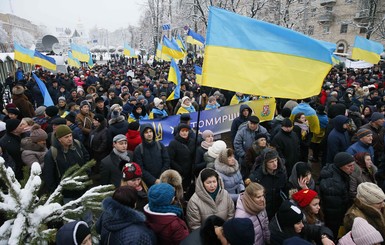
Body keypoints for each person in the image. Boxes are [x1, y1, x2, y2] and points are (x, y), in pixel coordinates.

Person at [43, 125, 90, 196]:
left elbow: (86, 157)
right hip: (66, 192)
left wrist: (87, 172)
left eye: (70, 136)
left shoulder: (77, 144)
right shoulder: (52, 153)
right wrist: (56, 191)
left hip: (82, 186)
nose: (70, 139)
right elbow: (49, 175)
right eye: (66, 137)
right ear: (59, 139)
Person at [319, 152, 355, 238]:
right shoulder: (334, 184)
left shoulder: (339, 173)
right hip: (333, 219)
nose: (352, 168)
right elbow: (334, 210)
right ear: (340, 166)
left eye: (353, 165)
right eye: (349, 166)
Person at [269, 200, 334, 245]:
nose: (302, 225)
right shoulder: (278, 238)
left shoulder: (296, 226)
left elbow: (319, 229)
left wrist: (324, 237)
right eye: (298, 223)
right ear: (289, 224)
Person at [247, 148, 287, 220]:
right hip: (263, 210)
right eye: (271, 162)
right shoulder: (257, 177)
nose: (275, 164)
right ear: (265, 163)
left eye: (276, 160)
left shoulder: (281, 172)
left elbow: (284, 187)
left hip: (277, 208)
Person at [168, 123, 196, 192]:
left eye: (186, 131)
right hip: (180, 174)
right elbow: (170, 159)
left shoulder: (192, 141)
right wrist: (180, 169)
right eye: (182, 131)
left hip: (190, 173)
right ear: (179, 132)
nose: (184, 133)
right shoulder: (173, 143)